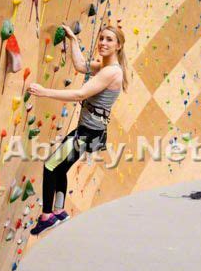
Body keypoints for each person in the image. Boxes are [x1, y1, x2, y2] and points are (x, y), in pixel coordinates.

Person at [28, 23, 128, 235]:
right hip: (91, 132)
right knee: (60, 167)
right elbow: (81, 66)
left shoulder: (111, 72)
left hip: (86, 133)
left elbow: (79, 95)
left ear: (119, 45)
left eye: (109, 39)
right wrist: (73, 40)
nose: (102, 43)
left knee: (50, 166)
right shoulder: (104, 68)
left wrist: (45, 92)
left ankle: (47, 216)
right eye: (101, 38)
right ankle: (60, 210)